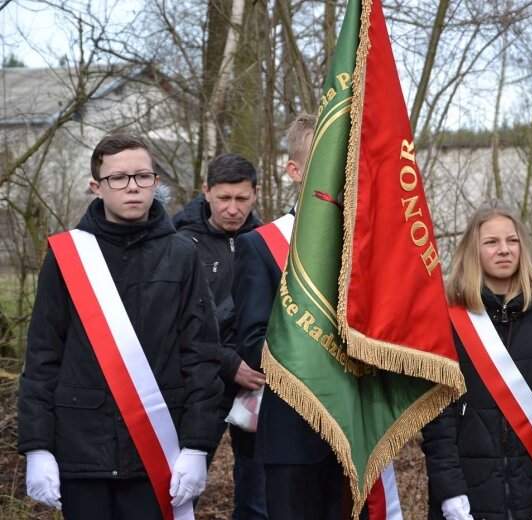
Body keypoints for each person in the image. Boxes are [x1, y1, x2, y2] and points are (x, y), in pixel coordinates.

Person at [17, 134, 224, 518]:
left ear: (156, 182)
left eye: (142, 176)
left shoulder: (182, 254)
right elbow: (44, 354)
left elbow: (201, 356)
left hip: (156, 450)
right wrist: (37, 445)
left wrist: (197, 445)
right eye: (118, 178)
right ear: (96, 186)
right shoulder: (67, 255)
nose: (132, 186)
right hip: (81, 451)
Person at [422, 199, 532, 520]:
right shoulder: (447, 314)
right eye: (491, 242)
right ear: (474, 250)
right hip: (468, 495)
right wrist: (450, 491)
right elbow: (436, 415)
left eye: (512, 241)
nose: (504, 250)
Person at [233, 113, 353, 519]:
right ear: (295, 169)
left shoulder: (364, 243)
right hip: (291, 434)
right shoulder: (260, 245)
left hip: (357, 429)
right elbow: (252, 340)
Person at [172, 153, 266, 519]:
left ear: (255, 194)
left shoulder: (266, 242)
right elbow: (181, 320)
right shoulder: (178, 241)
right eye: (224, 198)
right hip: (197, 382)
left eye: (241, 199)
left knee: (259, 497)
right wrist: (229, 362)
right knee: (181, 490)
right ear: (206, 191)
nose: (232, 209)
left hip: (255, 382)